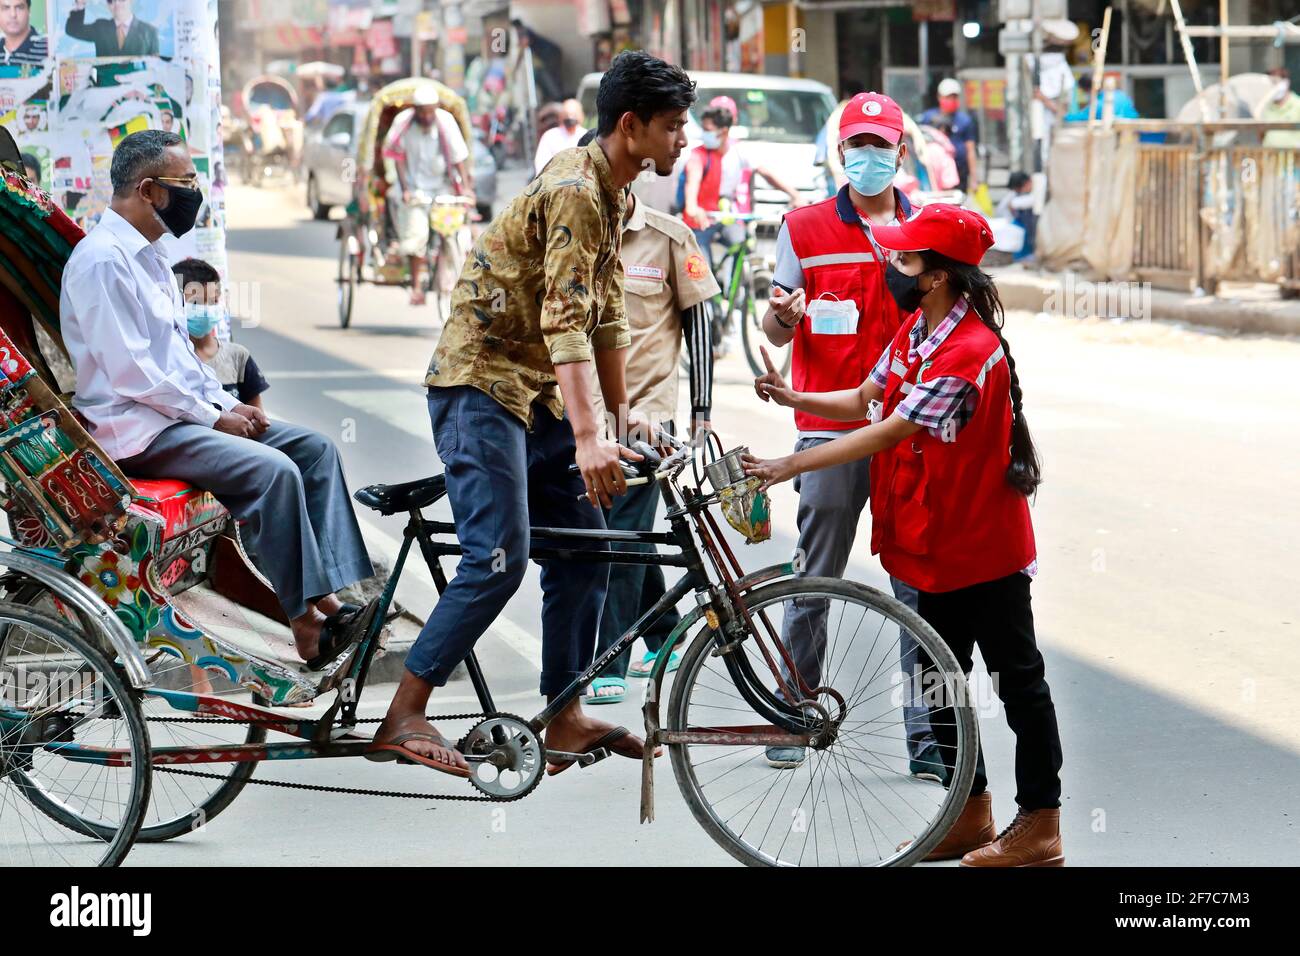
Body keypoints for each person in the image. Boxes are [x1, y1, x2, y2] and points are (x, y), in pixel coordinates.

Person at [366, 51, 697, 778]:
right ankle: (404, 712)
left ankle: (567, 713)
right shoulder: (579, 188)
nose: (684, 140)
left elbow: (609, 315)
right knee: (497, 559)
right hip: (480, 384)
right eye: (674, 127)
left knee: (586, 548)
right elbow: (567, 322)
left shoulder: (614, 188)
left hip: (536, 394)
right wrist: (588, 437)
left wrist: (621, 417)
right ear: (632, 126)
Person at [744, 202, 1065, 868]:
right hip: (928, 547)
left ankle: (1040, 826)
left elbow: (889, 431)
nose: (893, 265)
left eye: (906, 259)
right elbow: (864, 398)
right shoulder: (915, 331)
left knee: (1017, 684)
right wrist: (793, 399)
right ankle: (968, 812)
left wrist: (787, 464)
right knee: (934, 682)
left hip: (983, 552)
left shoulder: (967, 353)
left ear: (939, 276)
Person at [59, 130, 375, 670]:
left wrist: (225, 402)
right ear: (150, 189)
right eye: (185, 183)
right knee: (274, 472)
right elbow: (135, 374)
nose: (193, 193)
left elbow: (179, 356)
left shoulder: (152, 256)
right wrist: (212, 416)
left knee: (316, 450)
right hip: (137, 430)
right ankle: (306, 623)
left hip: (178, 415)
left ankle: (336, 599)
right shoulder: (102, 262)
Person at [757, 91, 944, 780]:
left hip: (905, 429)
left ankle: (927, 740)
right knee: (814, 579)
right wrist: (783, 317)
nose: (869, 158)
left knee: (918, 589)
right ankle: (793, 710)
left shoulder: (927, 230)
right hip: (826, 432)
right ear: (841, 153)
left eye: (881, 146)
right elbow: (773, 329)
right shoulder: (803, 228)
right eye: (857, 146)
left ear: (901, 152)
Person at [585, 179, 719, 704]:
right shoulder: (573, 236)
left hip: (647, 423)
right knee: (619, 533)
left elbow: (699, 324)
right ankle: (665, 631)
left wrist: (702, 413)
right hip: (585, 421)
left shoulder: (669, 238)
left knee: (619, 537)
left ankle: (610, 657)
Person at [389, 86, 472, 306]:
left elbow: (458, 157)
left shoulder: (445, 122)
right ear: (415, 110)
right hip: (415, 189)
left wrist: (464, 188)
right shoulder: (403, 123)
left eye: (430, 112)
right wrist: (405, 188)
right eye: (422, 112)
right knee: (416, 238)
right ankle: (417, 287)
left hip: (442, 187)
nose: (427, 116)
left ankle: (449, 267)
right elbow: (396, 156)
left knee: (454, 231)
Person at [682, 104, 804, 256]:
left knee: (743, 245)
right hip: (702, 219)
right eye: (703, 129)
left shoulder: (738, 151)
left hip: (728, 215)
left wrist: (794, 194)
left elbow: (765, 172)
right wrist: (692, 206)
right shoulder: (699, 155)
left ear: (724, 131)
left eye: (708, 130)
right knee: (701, 264)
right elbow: (692, 182)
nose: (704, 134)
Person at [172, 257, 269, 410]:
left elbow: (257, 417)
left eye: (213, 302)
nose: (206, 310)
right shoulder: (168, 360)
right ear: (175, 302)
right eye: (196, 303)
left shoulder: (237, 356)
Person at [1030, 20, 1078, 170]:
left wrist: (1043, 99)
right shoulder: (1035, 63)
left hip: (1058, 142)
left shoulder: (1065, 79)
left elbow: (1062, 112)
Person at [921, 78, 980, 193]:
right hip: (934, 172)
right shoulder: (928, 118)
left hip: (959, 172)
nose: (951, 100)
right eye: (948, 97)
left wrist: (974, 178)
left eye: (954, 97)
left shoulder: (964, 121)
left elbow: (970, 150)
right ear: (939, 97)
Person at [66, 0, 160, 57]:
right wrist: (80, 2)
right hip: (105, 87)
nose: (116, 4)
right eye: (111, 0)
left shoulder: (150, 32)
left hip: (138, 87)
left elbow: (155, 68)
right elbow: (73, 29)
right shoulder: (100, 27)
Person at [533, 98, 587, 175]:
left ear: (580, 115)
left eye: (573, 114)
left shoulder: (585, 135)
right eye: (567, 114)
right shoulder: (550, 136)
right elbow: (541, 162)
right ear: (561, 116)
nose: (570, 117)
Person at [995, 171, 1036, 262]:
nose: (1019, 191)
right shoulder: (1015, 194)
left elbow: (1032, 201)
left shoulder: (1036, 188)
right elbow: (1004, 208)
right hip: (1017, 224)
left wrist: (1013, 204)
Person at [1259, 67, 1300, 149]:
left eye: (1275, 82)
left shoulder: (1297, 104)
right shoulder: (1264, 107)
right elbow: (1261, 133)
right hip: (1269, 157)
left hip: (1293, 158)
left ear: (1286, 83)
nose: (1272, 87)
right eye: (1270, 83)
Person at [1, 0, 46, 65]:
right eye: (6, 8)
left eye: (19, 7)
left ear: (29, 11)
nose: (13, 14)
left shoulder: (48, 48)